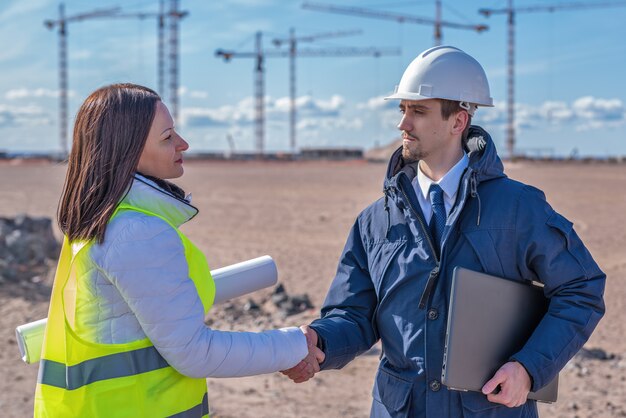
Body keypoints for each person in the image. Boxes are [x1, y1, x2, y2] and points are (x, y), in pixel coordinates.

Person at [282, 46, 606, 417]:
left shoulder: (518, 208)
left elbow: (582, 288)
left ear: (458, 121)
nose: (403, 124)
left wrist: (529, 368)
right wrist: (320, 339)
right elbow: (355, 314)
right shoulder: (375, 220)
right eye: (402, 109)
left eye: (418, 111)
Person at [34, 83, 323, 417]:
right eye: (167, 136)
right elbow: (193, 351)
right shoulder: (136, 232)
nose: (183, 143)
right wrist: (293, 346)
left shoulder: (97, 224)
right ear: (127, 150)